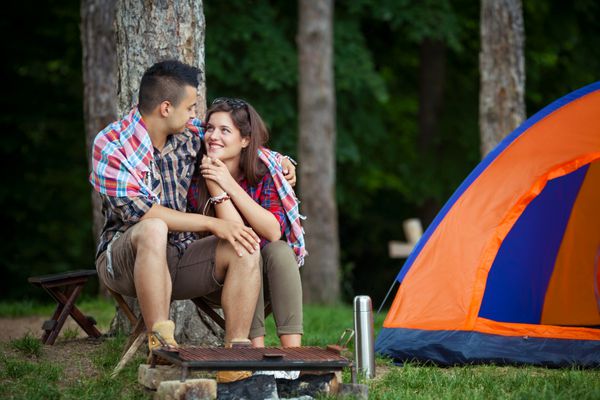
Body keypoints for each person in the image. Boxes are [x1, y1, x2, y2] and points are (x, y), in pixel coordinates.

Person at [89, 60, 296, 381]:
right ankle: (161, 342)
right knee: (155, 227)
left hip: (182, 259)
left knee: (244, 243)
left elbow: (239, 141)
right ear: (166, 108)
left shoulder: (188, 134)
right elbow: (141, 213)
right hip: (126, 259)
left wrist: (283, 162)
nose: (194, 117)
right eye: (189, 108)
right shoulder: (111, 144)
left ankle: (236, 357)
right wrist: (213, 224)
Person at [187, 97, 306, 355]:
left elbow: (273, 231)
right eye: (210, 128)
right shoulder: (196, 171)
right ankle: (254, 354)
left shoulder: (265, 173)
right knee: (245, 250)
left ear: (245, 140)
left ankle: (296, 357)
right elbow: (181, 121)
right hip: (215, 278)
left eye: (225, 130)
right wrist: (216, 183)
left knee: (280, 250)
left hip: (266, 277)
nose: (213, 136)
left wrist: (228, 183)